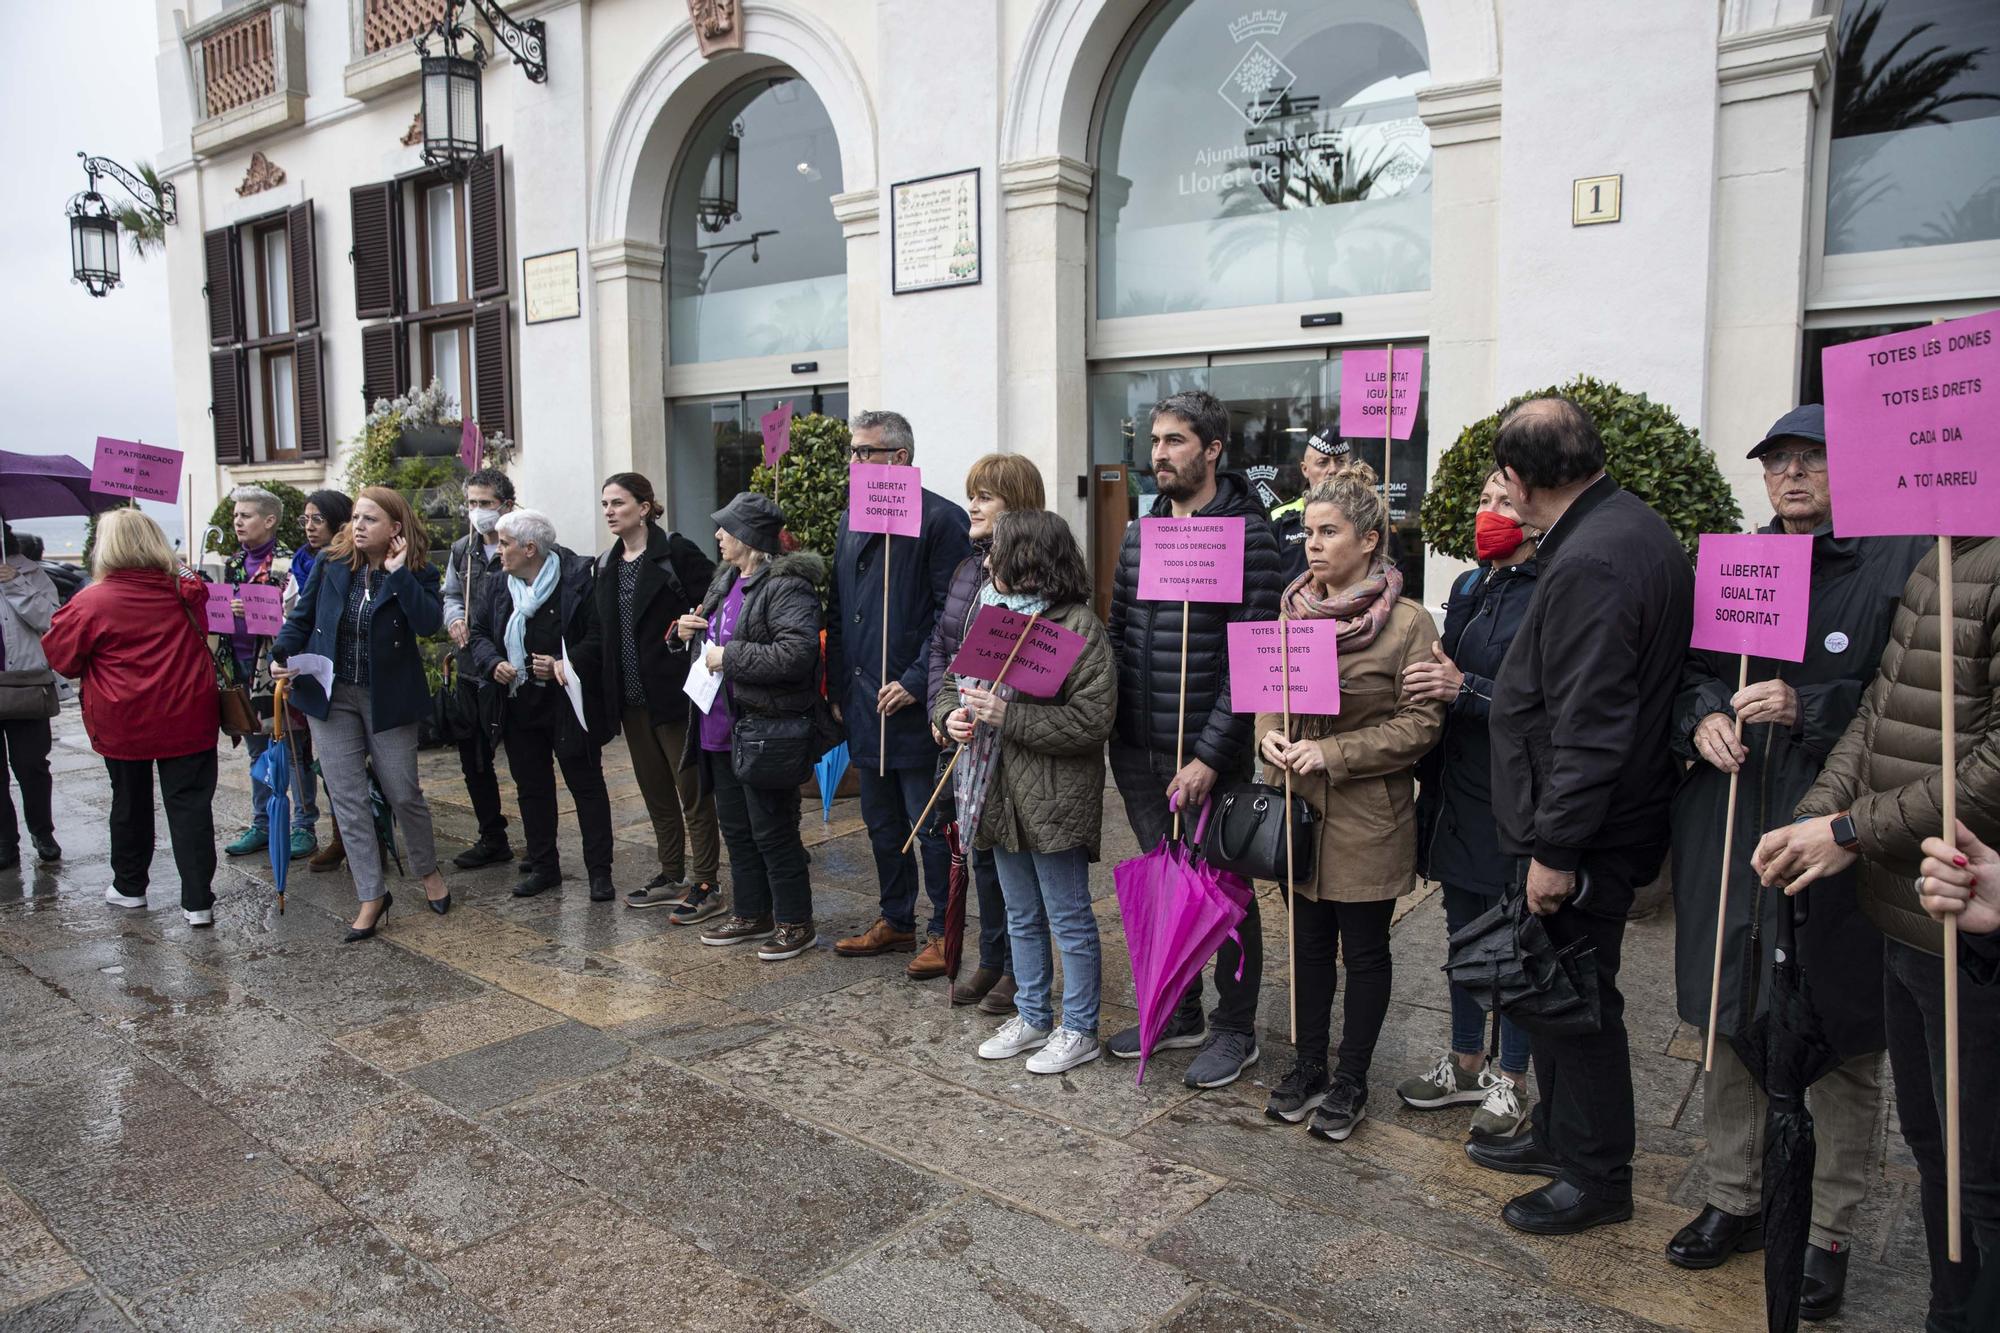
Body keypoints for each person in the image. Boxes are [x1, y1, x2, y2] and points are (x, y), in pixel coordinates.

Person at [1665, 406, 1924, 1314]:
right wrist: (1699, 716)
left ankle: (1827, 1228)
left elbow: (1911, 701)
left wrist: (1808, 706)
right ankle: (1734, 1194)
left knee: (1841, 1033)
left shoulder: (1898, 561)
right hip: (1732, 823)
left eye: (1810, 459)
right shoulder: (1734, 561)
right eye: (1777, 463)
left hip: (1834, 833)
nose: (1792, 476)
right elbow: (1689, 669)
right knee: (1732, 1015)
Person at [1754, 534, 2000, 1332]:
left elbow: (1993, 760)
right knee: (1938, 1155)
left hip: (1972, 915)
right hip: (1903, 906)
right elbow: (1878, 708)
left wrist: (1855, 828)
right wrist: (1816, 816)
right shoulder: (1937, 556)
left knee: (1984, 1176)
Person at [1471, 397, 1694, 1237]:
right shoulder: (1624, 525)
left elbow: (1591, 724)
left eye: (1503, 479)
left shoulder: (1597, 556)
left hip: (1590, 830)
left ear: (1523, 482)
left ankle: (1596, 1176)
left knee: (1578, 998)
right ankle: (1559, 1137)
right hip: (1593, 816)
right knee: (1552, 987)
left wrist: (1555, 848)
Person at [1252, 463, 1445, 1137]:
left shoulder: (1409, 624)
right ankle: (1307, 1065)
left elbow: (1421, 725)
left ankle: (1352, 1076)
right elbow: (1267, 696)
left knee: (1362, 952)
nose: (1313, 544)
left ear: (1369, 539)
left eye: (1329, 531)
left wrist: (1333, 753)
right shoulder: (1291, 608)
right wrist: (1271, 737)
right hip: (1299, 813)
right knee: (1305, 947)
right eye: (1308, 531)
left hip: (1368, 816)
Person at [1103, 388, 1284, 1089]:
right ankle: (1179, 1007)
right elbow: (1119, 631)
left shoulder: (1252, 535)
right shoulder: (1144, 531)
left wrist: (1210, 754)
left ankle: (1236, 1029)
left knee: (1224, 887)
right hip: (1140, 748)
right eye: (1154, 440)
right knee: (1162, 881)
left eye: (1175, 440)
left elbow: (1253, 659)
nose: (1159, 454)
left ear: (1212, 449)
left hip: (1215, 753)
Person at [936, 511, 1116, 1073]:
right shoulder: (992, 615)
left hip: (1053, 796)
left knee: (1068, 917)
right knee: (1019, 915)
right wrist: (952, 718)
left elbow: (1093, 719)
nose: (988, 563)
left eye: (999, 552)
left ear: (1030, 558)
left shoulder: (1079, 626)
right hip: (994, 791)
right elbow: (951, 683)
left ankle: (1080, 1027)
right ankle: (1033, 1015)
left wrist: (1008, 717)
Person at [1395, 468, 1541, 1139]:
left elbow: (1542, 703)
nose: (1488, 511)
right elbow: (1446, 676)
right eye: (1482, 499)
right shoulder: (1469, 585)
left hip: (1512, 794)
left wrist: (1466, 687)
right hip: (1457, 788)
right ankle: (1464, 1059)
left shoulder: (1550, 592)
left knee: (1510, 943)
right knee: (1462, 933)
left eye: (1503, 502)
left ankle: (1511, 1078)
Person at [828, 410, 974, 970]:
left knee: (928, 822)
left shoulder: (941, 519)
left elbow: (952, 613)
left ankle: (943, 927)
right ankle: (895, 918)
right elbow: (840, 610)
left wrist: (916, 682)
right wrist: (839, 684)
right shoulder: (851, 519)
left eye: (867, 452)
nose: (855, 462)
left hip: (915, 704)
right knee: (881, 819)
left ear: (900, 459)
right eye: (854, 451)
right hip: (864, 700)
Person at [272, 487, 449, 940]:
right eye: (355, 517)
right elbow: (302, 617)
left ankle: (427, 870)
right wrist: (280, 653)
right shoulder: (332, 565)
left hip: (387, 698)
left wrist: (397, 574)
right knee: (346, 797)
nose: (359, 526)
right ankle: (371, 895)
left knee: (402, 791)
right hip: (330, 695)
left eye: (370, 518)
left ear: (395, 527)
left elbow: (429, 625)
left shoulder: (416, 572)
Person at [42, 510, 220, 925]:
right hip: (187, 713)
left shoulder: (91, 601)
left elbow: (63, 659)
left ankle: (130, 886)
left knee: (128, 801)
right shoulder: (186, 590)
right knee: (191, 805)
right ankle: (198, 901)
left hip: (123, 720)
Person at [671, 493, 825, 962]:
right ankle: (751, 911)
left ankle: (796, 921)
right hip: (718, 726)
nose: (717, 536)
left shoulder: (788, 586)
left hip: (763, 729)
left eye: (726, 528)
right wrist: (687, 634)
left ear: (750, 538)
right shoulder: (726, 579)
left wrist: (728, 657)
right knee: (736, 829)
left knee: (772, 830)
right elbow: (710, 642)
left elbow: (798, 654)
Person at [926, 452, 1046, 1011]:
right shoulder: (966, 569)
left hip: (1014, 737)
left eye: (986, 496)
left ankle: (1022, 973)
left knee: (1014, 863)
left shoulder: (1041, 573)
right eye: (971, 493)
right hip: (968, 736)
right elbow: (943, 649)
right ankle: (992, 959)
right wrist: (941, 713)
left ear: (1016, 506)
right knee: (979, 853)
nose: (971, 505)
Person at [470, 509, 618, 903]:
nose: (498, 551)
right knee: (532, 789)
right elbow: (479, 632)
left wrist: (561, 665)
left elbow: (599, 637)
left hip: (568, 702)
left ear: (530, 548)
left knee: (586, 786)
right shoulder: (499, 584)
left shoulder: (578, 578)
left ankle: (599, 873)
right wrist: (493, 662)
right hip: (518, 702)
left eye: (504, 544)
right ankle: (544, 867)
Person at [594, 472, 721, 917]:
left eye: (618, 503)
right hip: (630, 700)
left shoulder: (675, 554)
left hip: (676, 695)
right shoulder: (606, 564)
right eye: (605, 504)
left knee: (693, 792)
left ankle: (706, 880)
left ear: (644, 507)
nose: (609, 511)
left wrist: (691, 626)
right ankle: (671, 873)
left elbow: (717, 598)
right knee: (655, 792)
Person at [219, 486, 317, 862]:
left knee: (292, 751)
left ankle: (302, 825)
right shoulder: (232, 563)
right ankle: (261, 823)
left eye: (246, 515)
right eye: (236, 516)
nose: (238, 522)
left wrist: (262, 612)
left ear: (270, 520)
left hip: (274, 670)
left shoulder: (287, 564)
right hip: (240, 671)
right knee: (256, 751)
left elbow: (297, 617)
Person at [440, 469, 517, 871]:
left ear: (505, 505)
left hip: (511, 666)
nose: (477, 511)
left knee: (524, 759)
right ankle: (492, 835)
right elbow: (451, 593)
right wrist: (454, 618)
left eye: (484, 503)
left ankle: (542, 846)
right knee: (474, 760)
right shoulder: (462, 549)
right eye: (471, 503)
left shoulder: (523, 542)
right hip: (472, 667)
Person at [295, 489, 353, 874]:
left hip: (347, 672)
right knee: (328, 763)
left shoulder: (350, 561)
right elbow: (300, 614)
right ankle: (340, 837)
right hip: (312, 671)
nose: (310, 527)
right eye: (306, 520)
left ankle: (363, 838)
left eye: (318, 519)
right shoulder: (306, 560)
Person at [0, 525, 62, 869]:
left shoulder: (28, 571)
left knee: (32, 766)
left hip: (25, 681)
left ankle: (43, 832)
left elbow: (53, 620)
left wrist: (13, 583)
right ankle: (5, 842)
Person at [1272, 427, 1350, 584]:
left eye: (1341, 461)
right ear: (1305, 469)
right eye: (1323, 462)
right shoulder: (1280, 517)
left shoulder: (1369, 513)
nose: (1333, 470)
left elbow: (1393, 570)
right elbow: (1267, 579)